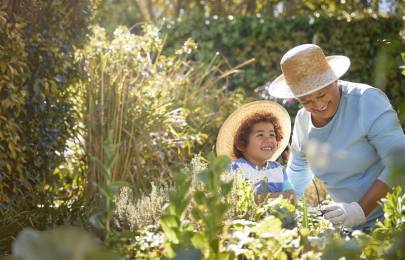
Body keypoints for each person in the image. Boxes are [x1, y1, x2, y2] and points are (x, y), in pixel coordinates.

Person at [267, 43, 405, 230]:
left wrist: (358, 211)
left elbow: (400, 163)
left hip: (394, 221)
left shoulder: (367, 101)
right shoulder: (302, 120)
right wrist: (280, 209)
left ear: (334, 79)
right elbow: (298, 171)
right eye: (306, 101)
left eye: (322, 94)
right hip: (348, 227)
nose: (318, 105)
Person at [216, 100, 295, 204]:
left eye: (272, 135)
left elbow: (292, 197)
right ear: (242, 143)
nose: (269, 140)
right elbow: (238, 200)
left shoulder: (278, 169)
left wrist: (260, 197)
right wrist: (279, 196)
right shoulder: (236, 168)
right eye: (260, 135)